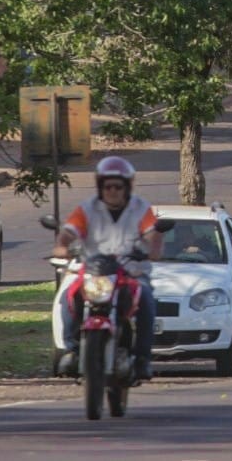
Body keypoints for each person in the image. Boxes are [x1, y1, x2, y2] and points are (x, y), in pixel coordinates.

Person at [52, 155, 162, 381]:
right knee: (68, 295)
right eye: (108, 186)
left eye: (118, 186)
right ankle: (71, 350)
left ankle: (142, 358)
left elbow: (152, 232)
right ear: (100, 186)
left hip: (131, 271)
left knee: (147, 299)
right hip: (93, 271)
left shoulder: (141, 208)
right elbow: (70, 231)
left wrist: (150, 248)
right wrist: (63, 246)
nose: (113, 191)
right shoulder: (87, 208)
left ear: (127, 187)